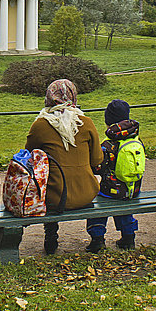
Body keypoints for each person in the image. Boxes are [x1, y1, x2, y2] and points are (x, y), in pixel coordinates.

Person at [25, 78, 103, 256]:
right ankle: (98, 237)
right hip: (87, 194)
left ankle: (50, 235)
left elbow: (28, 157)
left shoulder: (40, 125)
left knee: (49, 186)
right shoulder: (86, 122)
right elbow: (97, 160)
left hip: (56, 197)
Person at [86, 99, 141, 253]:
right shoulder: (136, 140)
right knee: (125, 209)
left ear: (108, 120)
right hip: (132, 189)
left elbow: (98, 168)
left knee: (97, 207)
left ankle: (97, 239)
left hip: (110, 190)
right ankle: (128, 237)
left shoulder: (108, 145)